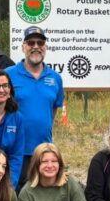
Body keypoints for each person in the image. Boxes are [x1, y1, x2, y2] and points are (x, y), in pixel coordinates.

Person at [6, 26, 65, 189]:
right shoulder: (8, 74)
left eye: (40, 43)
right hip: (16, 149)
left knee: (40, 194)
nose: (36, 46)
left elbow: (53, 109)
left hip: (43, 151)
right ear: (23, 47)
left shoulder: (55, 78)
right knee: (14, 194)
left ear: (45, 47)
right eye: (31, 43)